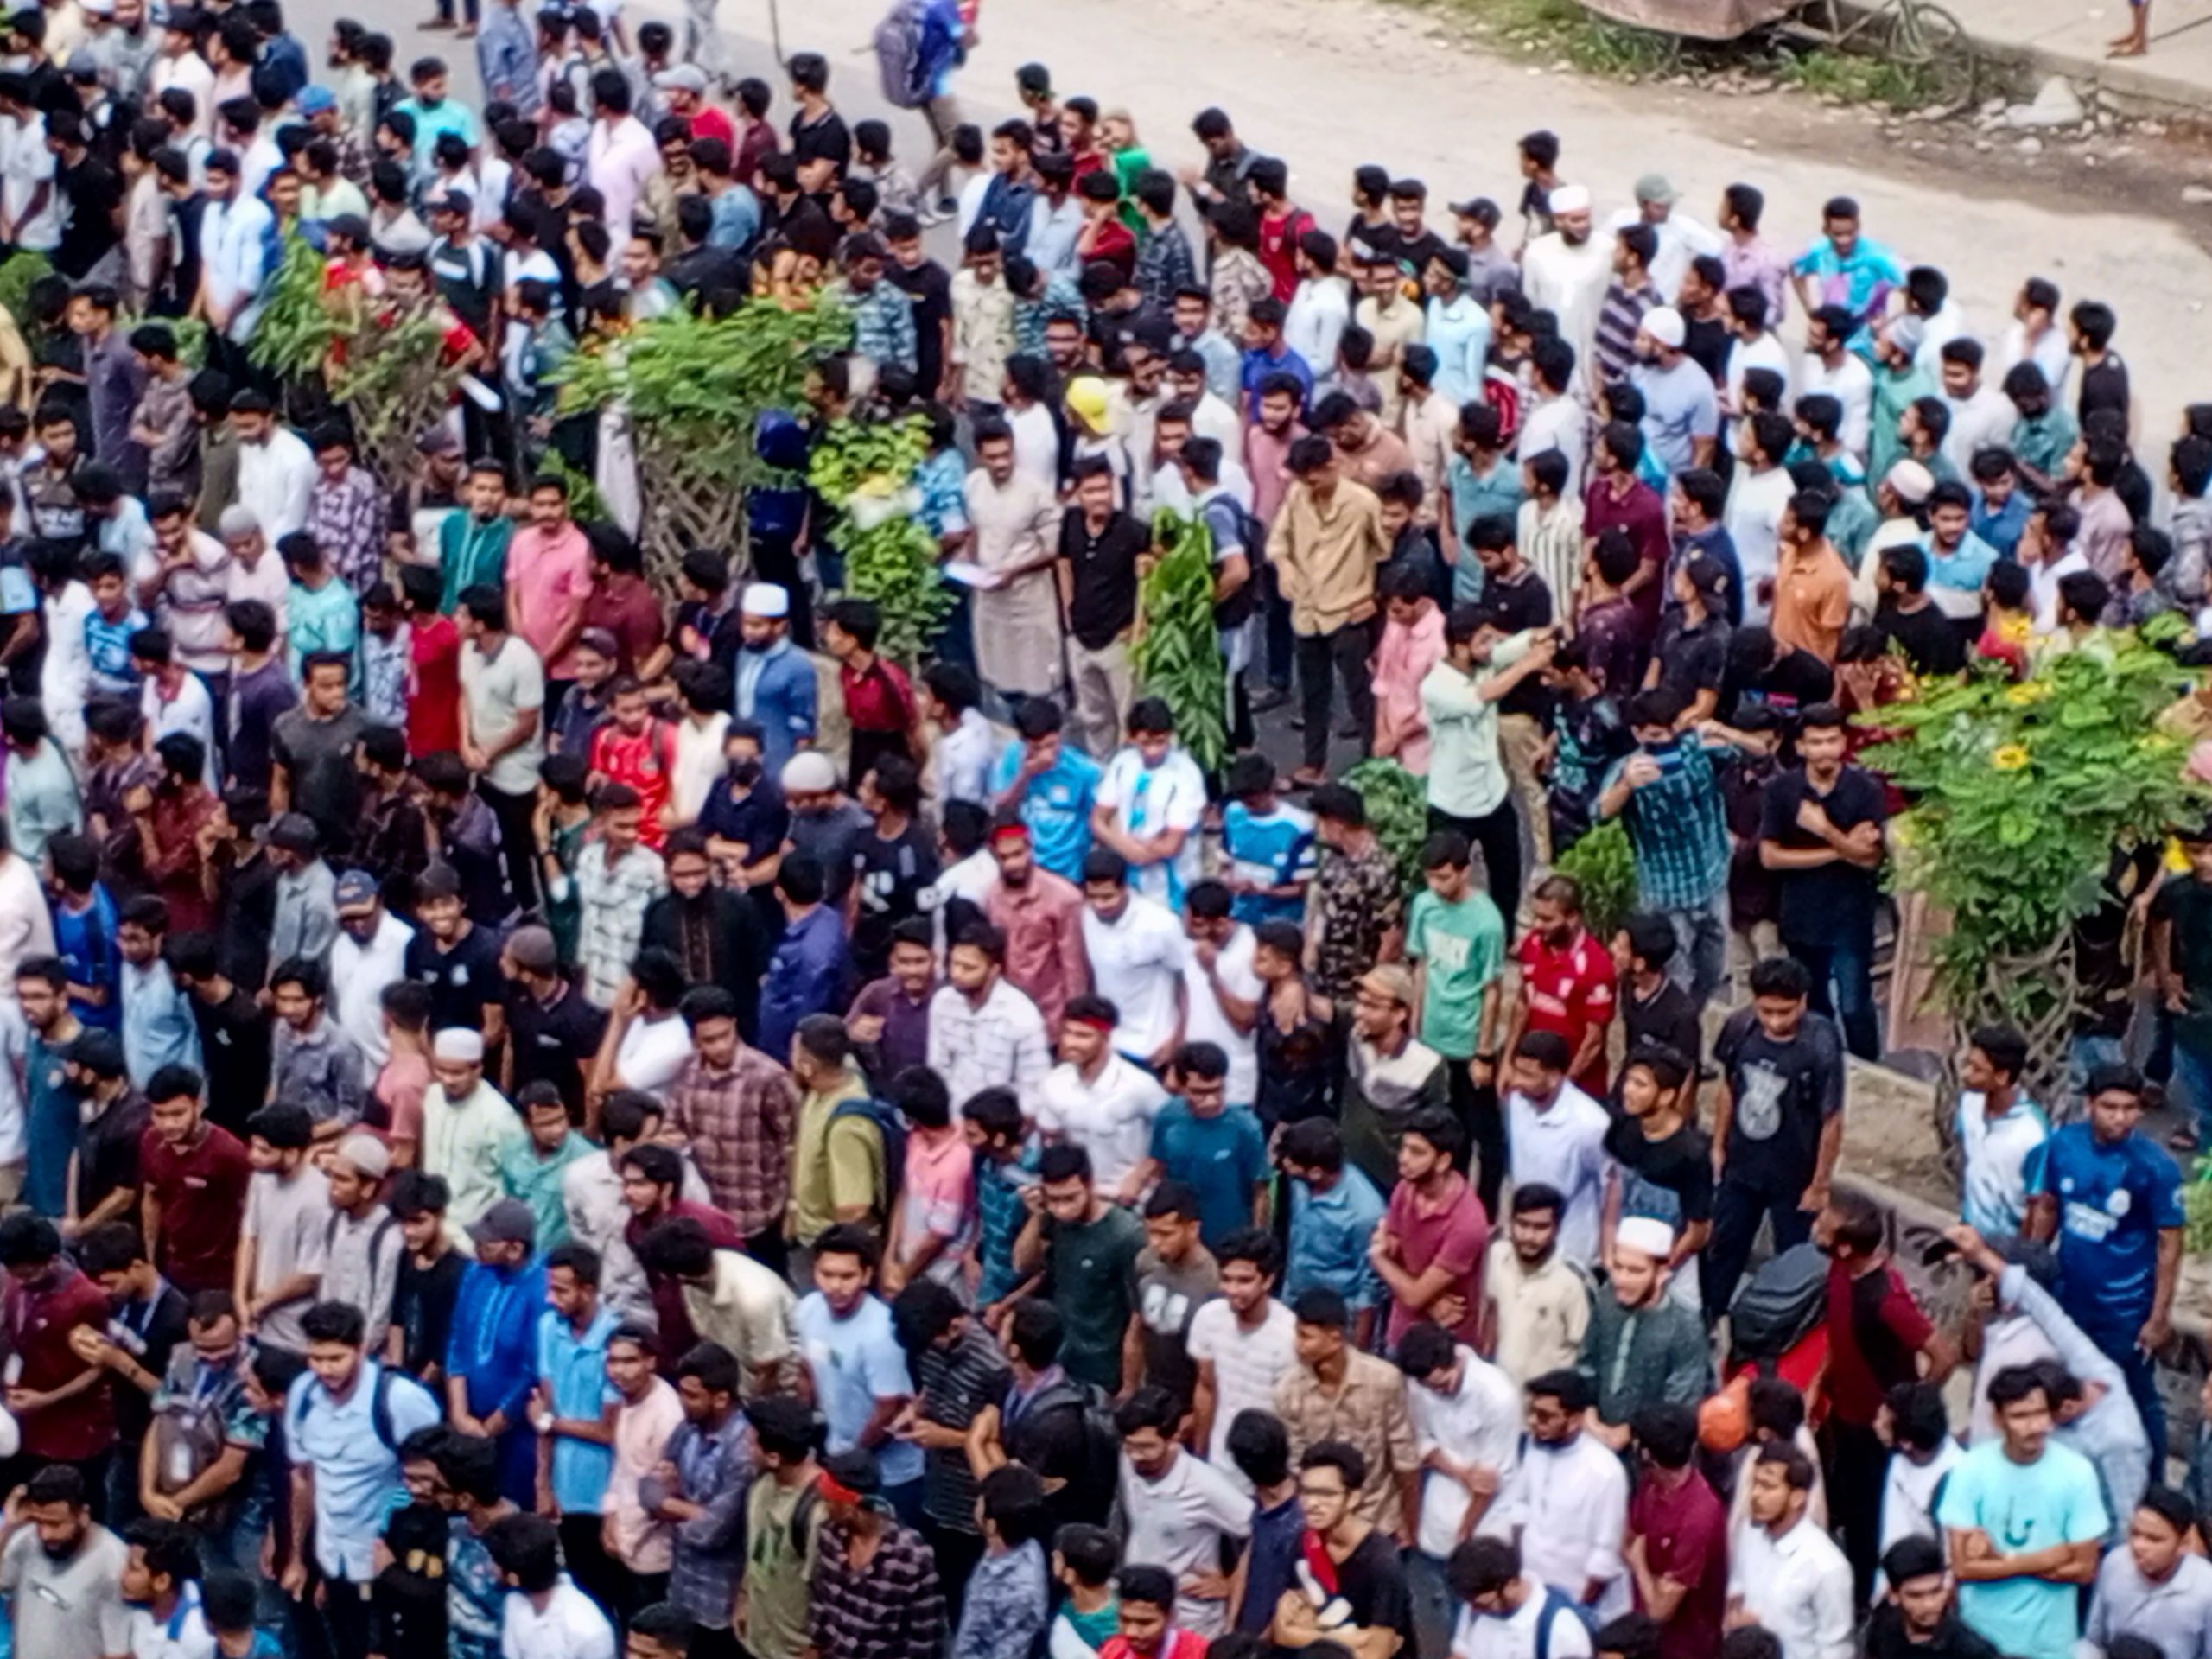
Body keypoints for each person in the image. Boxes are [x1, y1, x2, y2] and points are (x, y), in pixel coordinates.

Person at [2024, 1063, 2183, 1470]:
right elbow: (2048, 1208)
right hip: (2071, 1294)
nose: (2120, 1117)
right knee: (2070, 1382)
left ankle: (2153, 1477)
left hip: (2125, 1307)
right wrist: (2028, 1270)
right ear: (2089, 1104)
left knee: (2133, 1389)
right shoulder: (2063, 1145)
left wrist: (2158, 1317)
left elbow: (2170, 1243)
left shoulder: (2155, 1167)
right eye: (2110, 1107)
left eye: (2129, 1108)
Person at [1814, 1189, 1956, 1602]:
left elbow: (1942, 1356)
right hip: (1844, 1414)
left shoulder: (1887, 1300)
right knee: (1847, 1502)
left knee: (1869, 1519)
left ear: (1844, 1245)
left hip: (1873, 1432)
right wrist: (1817, 1384)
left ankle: (1864, 1597)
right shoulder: (1841, 1268)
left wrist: (1907, 1410)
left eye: (1823, 1227)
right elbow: (1837, 1334)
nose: (1815, 1229)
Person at [283, 1299, 442, 1659]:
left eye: (335, 1358)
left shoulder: (401, 1400)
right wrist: (298, 1557)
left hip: (391, 1566)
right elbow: (303, 1479)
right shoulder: (303, 1396)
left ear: (362, 1348)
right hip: (333, 1559)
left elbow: (437, 1479)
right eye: (316, 1358)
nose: (325, 1370)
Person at [1704, 955, 1847, 1316]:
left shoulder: (1821, 1043)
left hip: (1793, 1176)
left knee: (1793, 1263)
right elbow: (1728, 1088)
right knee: (1723, 1248)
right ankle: (1710, 1318)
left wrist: (1820, 1184)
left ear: (1802, 1001)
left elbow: (1831, 1119)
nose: (1775, 1021)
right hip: (1741, 1166)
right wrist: (1718, 1146)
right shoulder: (1739, 1027)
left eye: (1785, 1012)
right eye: (1767, 1011)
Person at [1937, 1364, 2107, 1659]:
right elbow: (1964, 1567)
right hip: (1980, 1636)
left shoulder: (2077, 1473)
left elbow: (2084, 1569)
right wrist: (2047, 1557)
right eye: (2020, 1416)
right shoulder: (1969, 1470)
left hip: (2049, 1642)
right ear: (1998, 1419)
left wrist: (1998, 1560)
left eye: (2040, 1413)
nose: (2034, 1426)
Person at [1396, 1320, 1521, 1656]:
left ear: (1455, 1361)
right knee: (1450, 1611)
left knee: (1484, 1609)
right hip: (1442, 1499)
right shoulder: (1419, 1385)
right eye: (1432, 1387)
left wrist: (1466, 1530)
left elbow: (1492, 1478)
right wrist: (1461, 1472)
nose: (1440, 1392)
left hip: (1488, 1515)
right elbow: (1422, 1440)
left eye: (1445, 1384)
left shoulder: (1497, 1396)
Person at [1487, 1367, 1630, 1617]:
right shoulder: (1536, 1447)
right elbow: (1521, 1507)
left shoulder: (1604, 1472)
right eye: (1531, 1412)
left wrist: (1579, 1611)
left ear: (1574, 1420)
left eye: (1544, 1416)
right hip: (1534, 1594)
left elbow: (1605, 1557)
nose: (1532, 1422)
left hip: (1581, 1604)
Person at [1115, 1384, 1251, 1637]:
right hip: (1139, 1611)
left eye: (1147, 1447)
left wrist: (1231, 1584)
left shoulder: (1204, 1485)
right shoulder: (1129, 1461)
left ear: (1174, 1438)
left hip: (1191, 1621)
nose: (1136, 1456)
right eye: (1130, 1446)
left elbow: (1259, 1529)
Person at [1727, 1442, 1854, 1659]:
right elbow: (1737, 1590)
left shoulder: (1827, 1566)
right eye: (1755, 1483)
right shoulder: (1751, 1535)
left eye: (1768, 1486)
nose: (1756, 1494)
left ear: (1797, 1497)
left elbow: (1836, 1650)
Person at [1446, 1535, 1595, 1659]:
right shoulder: (1476, 1605)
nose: (1475, 1610)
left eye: (1485, 1605)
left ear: (1512, 1584)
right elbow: (1462, 1653)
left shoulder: (1562, 1629)